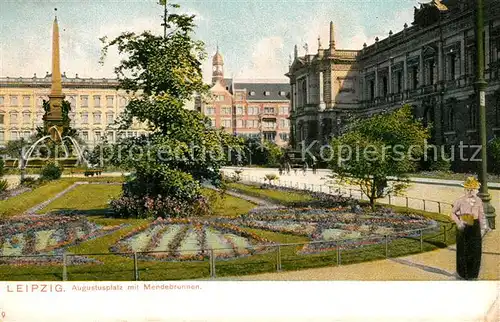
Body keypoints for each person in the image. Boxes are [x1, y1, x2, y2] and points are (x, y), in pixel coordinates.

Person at [450, 177, 491, 280]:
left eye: (472, 189)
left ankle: (473, 274)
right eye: (468, 189)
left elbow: (481, 214)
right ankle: (463, 273)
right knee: (464, 250)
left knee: (476, 249)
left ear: (476, 190)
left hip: (475, 225)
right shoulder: (460, 201)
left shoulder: (478, 200)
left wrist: (484, 226)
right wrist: (459, 222)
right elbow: (452, 213)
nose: (470, 191)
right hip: (464, 224)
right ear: (465, 190)